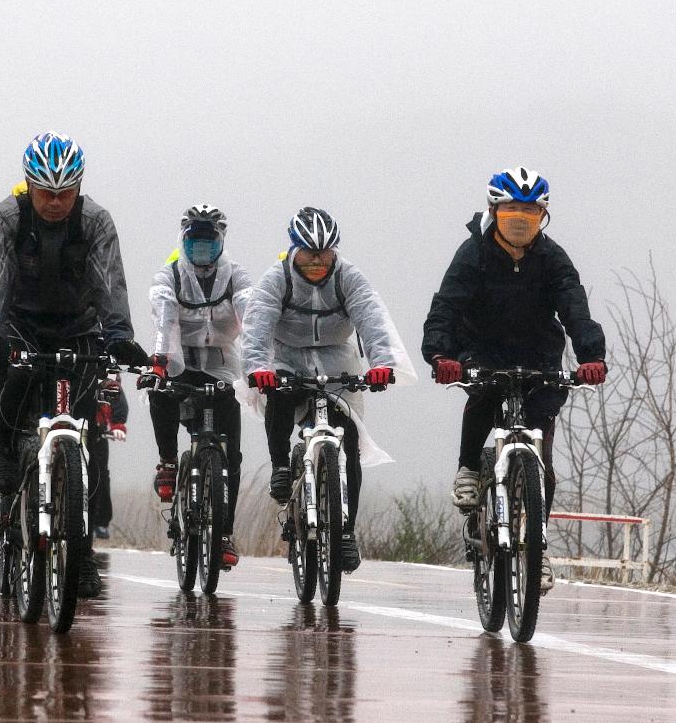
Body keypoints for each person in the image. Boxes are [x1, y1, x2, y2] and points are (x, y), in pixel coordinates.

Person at [0, 131, 150, 597]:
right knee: (6, 382)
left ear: (79, 187)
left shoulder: (96, 221)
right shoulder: (4, 218)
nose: (56, 202)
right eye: (47, 193)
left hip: (78, 326)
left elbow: (111, 283)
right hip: (19, 323)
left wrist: (121, 337)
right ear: (29, 186)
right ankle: (6, 461)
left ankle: (83, 552)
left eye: (65, 193)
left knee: (86, 437)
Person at [422, 167, 606, 591]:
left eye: (530, 213)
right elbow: (446, 306)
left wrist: (591, 356)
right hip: (481, 347)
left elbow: (575, 307)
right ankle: (469, 467)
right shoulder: (473, 254)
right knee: (484, 394)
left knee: (542, 454)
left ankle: (535, 550)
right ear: (494, 212)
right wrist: (440, 353)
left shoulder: (553, 258)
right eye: (511, 213)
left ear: (542, 217)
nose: (521, 221)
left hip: (539, 352)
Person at [245, 206, 415, 573]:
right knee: (279, 395)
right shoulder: (277, 279)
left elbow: (371, 317)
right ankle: (280, 467)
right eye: (309, 253)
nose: (317, 261)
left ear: (335, 251)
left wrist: (382, 363)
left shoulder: (348, 277)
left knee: (348, 437)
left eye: (325, 253)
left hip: (339, 359)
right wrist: (258, 369)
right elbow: (257, 325)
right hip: (287, 356)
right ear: (295, 250)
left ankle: (346, 532)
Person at [142, 204, 254, 566]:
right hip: (179, 358)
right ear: (185, 242)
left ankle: (224, 534)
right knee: (159, 392)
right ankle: (168, 460)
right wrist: (159, 361)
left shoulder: (236, 276)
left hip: (221, 363)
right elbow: (164, 317)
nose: (201, 252)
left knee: (231, 454)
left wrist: (259, 364)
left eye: (209, 243)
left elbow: (250, 313)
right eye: (195, 244)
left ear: (220, 242)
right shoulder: (170, 275)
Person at [89, 372, 128, 540]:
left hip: (98, 432)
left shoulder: (105, 368)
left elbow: (115, 391)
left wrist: (118, 423)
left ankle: (100, 521)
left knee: (100, 475)